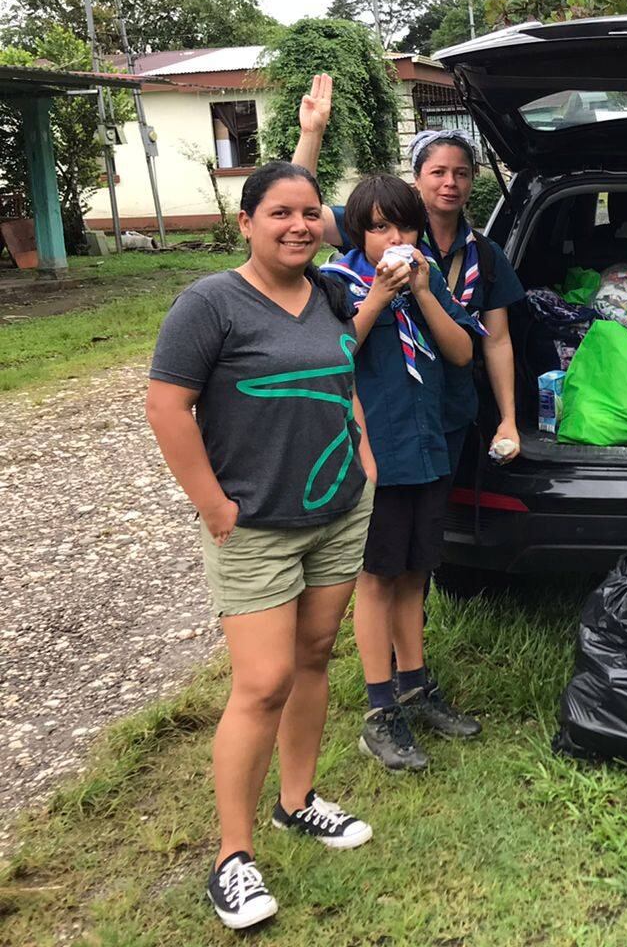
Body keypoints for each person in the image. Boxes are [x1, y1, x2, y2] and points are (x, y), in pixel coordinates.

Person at [146, 162, 377, 931]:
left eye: (311, 212)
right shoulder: (209, 304)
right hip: (257, 527)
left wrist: (365, 457)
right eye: (280, 212)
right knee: (263, 681)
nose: (299, 225)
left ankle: (297, 801)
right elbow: (167, 405)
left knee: (314, 658)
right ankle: (232, 860)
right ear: (245, 222)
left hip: (338, 509)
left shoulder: (332, 292)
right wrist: (212, 504)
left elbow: (343, 375)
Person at [322, 175, 483, 771]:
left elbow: (462, 353)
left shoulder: (428, 277)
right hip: (379, 453)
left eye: (405, 226)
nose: (396, 237)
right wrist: (379, 300)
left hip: (428, 444)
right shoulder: (338, 285)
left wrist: (422, 290)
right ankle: (379, 708)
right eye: (381, 227)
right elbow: (337, 355)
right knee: (377, 577)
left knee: (417, 572)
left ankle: (415, 686)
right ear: (359, 233)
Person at [293, 76, 524, 476]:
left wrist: (508, 419)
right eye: (438, 172)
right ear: (417, 179)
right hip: (390, 413)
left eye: (462, 173)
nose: (450, 182)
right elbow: (300, 209)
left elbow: (497, 341)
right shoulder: (381, 230)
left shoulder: (486, 255)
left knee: (434, 520)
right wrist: (312, 134)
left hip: (451, 410)